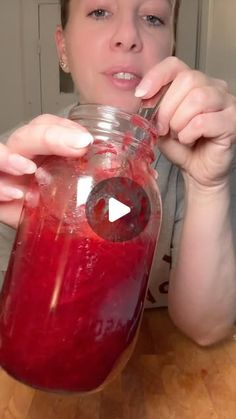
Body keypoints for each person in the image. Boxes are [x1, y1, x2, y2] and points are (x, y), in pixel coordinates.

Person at [0, 0, 235, 346]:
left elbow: (206, 330)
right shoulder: (17, 165)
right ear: (62, 47)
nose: (128, 37)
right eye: (99, 12)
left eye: (153, 18)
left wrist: (207, 186)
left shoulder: (212, 156)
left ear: (171, 48)